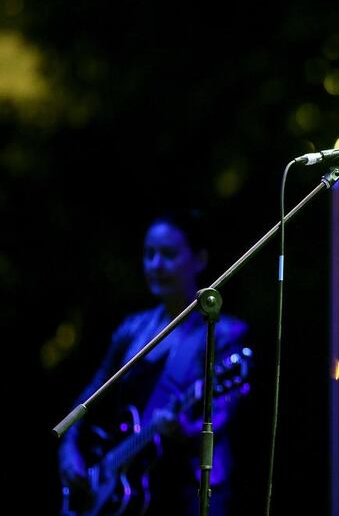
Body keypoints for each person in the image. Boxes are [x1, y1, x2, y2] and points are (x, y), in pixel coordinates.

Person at [57, 209, 252, 516]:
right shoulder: (131, 330)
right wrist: (68, 454)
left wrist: (184, 429)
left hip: (191, 492)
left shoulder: (224, 332)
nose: (156, 265)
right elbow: (87, 401)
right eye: (149, 255)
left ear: (199, 260)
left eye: (168, 254)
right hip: (132, 493)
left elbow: (224, 418)